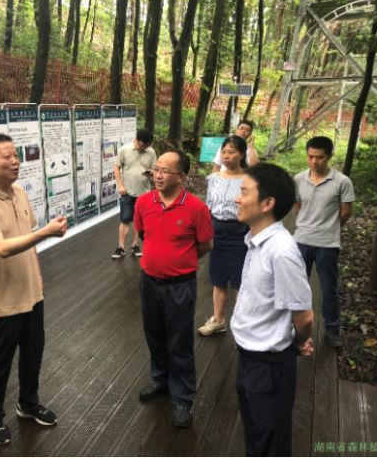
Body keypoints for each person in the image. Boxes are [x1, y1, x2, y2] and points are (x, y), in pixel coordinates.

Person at [0, 134, 68, 446]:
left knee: (33, 354)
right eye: (7, 157)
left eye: (16, 156)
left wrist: (38, 275)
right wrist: (46, 232)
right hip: (2, 299)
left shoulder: (19, 193)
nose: (15, 162)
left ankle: (28, 403)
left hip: (32, 293)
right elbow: (1, 248)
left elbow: (25, 234)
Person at [231, 163, 314, 456]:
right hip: (249, 357)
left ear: (267, 204)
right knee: (256, 433)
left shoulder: (281, 251)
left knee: (270, 442)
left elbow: (304, 316)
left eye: (244, 192)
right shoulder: (256, 241)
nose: (237, 198)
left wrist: (300, 342)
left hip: (269, 365)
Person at [134, 150, 213, 428]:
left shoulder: (196, 208)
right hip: (148, 282)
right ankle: (161, 380)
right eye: (156, 169)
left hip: (180, 285)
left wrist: (181, 261)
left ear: (182, 176)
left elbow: (205, 244)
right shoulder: (143, 202)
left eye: (165, 171)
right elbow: (143, 234)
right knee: (154, 335)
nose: (158, 175)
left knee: (179, 342)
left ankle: (182, 397)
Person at [293, 136, 354, 348]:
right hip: (301, 240)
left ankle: (332, 329)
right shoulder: (298, 179)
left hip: (328, 243)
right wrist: (308, 223)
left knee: (329, 289)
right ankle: (294, 326)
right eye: (310, 156)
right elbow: (298, 206)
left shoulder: (342, 182)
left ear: (329, 156)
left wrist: (329, 227)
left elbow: (345, 212)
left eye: (319, 157)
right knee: (297, 286)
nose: (314, 161)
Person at [198, 135, 249, 336]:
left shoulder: (250, 179)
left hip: (241, 233)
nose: (226, 156)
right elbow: (209, 206)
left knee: (241, 282)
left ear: (242, 154)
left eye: (231, 152)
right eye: (224, 152)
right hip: (217, 232)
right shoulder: (214, 178)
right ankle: (218, 320)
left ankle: (243, 323)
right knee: (218, 279)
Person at [112, 128, 157, 259]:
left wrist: (151, 174)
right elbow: (116, 167)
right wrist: (120, 186)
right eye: (142, 145)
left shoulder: (151, 152)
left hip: (144, 194)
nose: (143, 148)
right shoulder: (124, 150)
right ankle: (121, 247)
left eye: (146, 146)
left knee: (139, 221)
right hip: (128, 192)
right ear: (136, 140)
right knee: (125, 220)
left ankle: (135, 245)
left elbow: (154, 170)